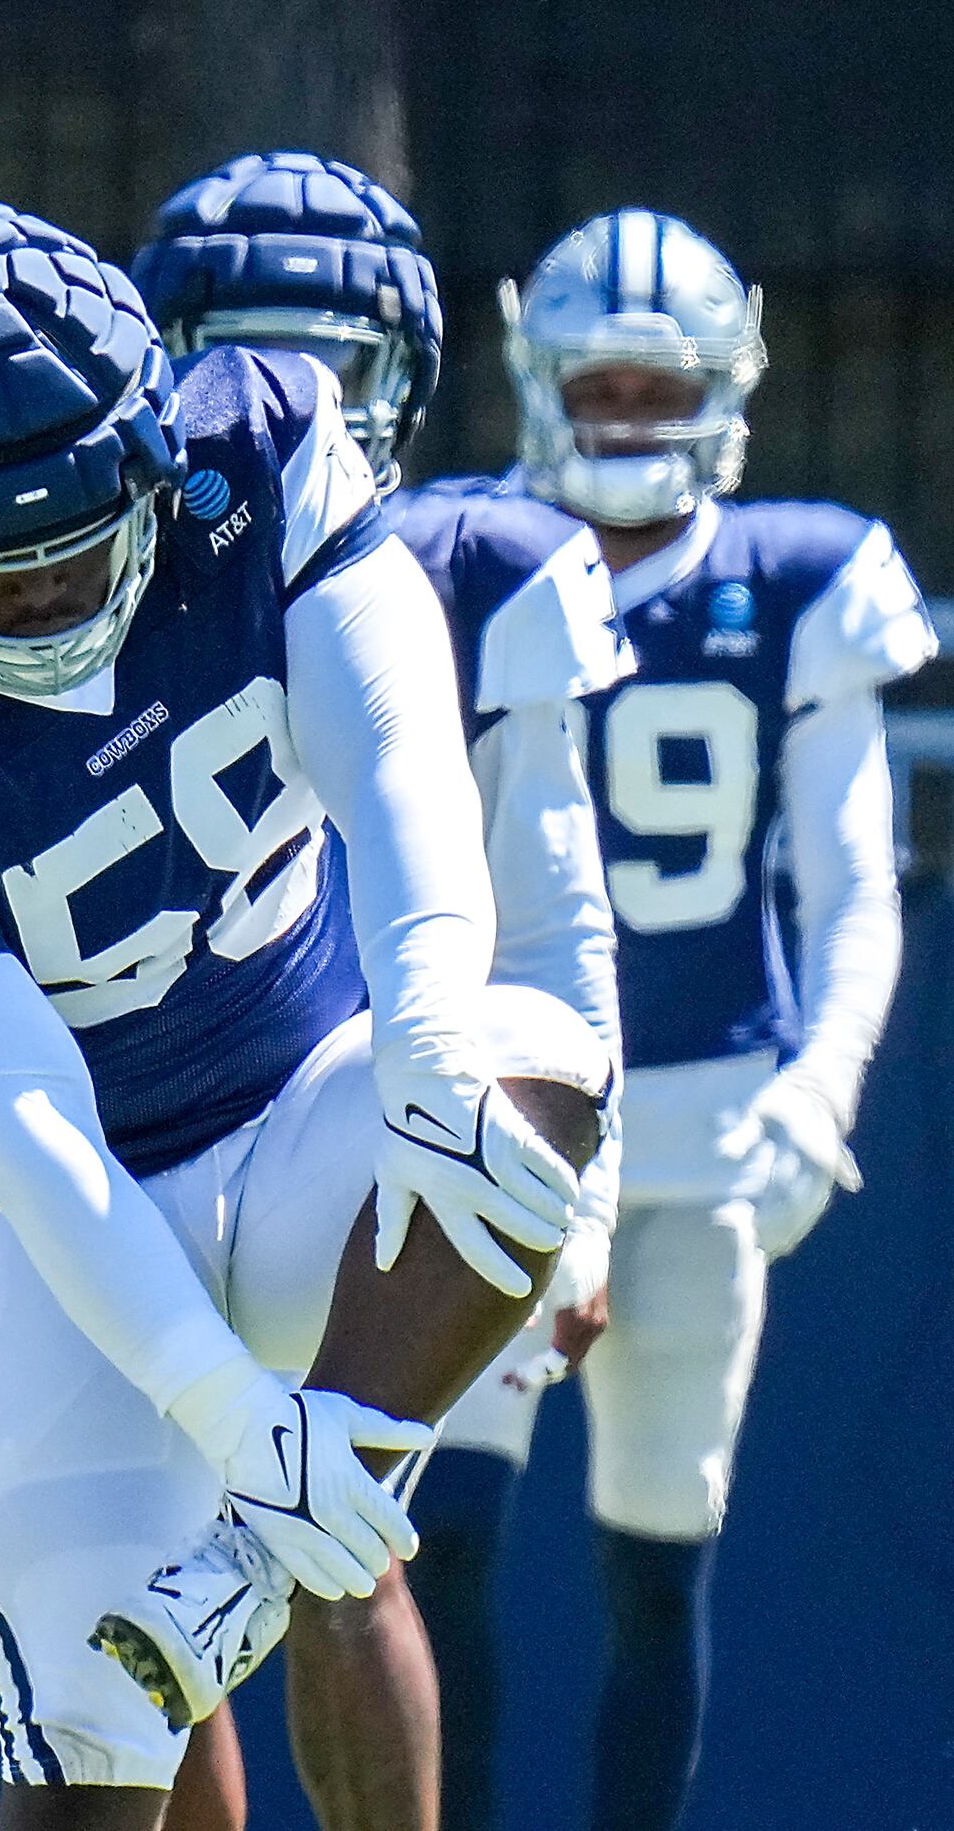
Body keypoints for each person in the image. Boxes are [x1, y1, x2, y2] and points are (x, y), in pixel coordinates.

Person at [0, 201, 609, 1831]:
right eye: (8, 581)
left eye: (87, 541)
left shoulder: (261, 442)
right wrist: (226, 1415)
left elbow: (406, 770)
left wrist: (418, 1022)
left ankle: (251, 1565)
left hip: (296, 1114)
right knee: (83, 1742)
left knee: (525, 1061)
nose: (65, 598)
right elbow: (21, 1126)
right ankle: (244, 1553)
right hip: (29, 1220)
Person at [394, 209, 935, 1831]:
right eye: (602, 385)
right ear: (538, 379)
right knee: (447, 1539)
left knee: (652, 1559)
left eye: (657, 386)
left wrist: (821, 1090)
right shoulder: (458, 550)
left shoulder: (792, 580)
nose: (629, 417)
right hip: (506, 1119)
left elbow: (854, 891)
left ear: (723, 386)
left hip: (705, 1126)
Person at [132, 149, 632, 1830]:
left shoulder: (485, 559)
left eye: (333, 361)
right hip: (185, 1106)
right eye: (252, 347)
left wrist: (591, 1199)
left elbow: (558, 918)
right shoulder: (108, 563)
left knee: (338, 1545)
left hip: (393, 1117)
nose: (299, 399)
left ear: (405, 373)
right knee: (154, 1546)